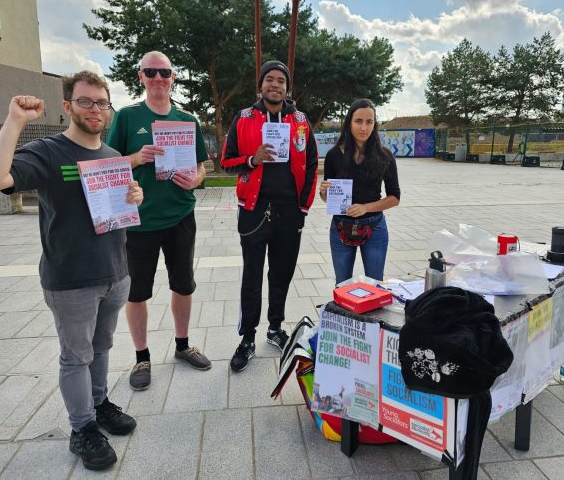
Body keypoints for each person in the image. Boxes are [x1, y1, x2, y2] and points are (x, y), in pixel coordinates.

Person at [0, 71, 142, 471]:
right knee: (75, 357)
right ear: (68, 106)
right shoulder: (49, 152)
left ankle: (99, 404)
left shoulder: (113, 158)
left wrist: (134, 195)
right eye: (85, 101)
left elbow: (118, 211)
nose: (95, 109)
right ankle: (82, 428)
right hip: (71, 280)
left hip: (115, 272)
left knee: (101, 348)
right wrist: (15, 121)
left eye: (102, 102)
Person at [108, 51, 211, 391]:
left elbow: (200, 166)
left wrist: (196, 179)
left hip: (180, 214)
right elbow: (106, 166)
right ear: (140, 76)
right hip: (139, 222)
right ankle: (142, 356)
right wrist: (137, 158)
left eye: (163, 72)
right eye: (150, 72)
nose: (157, 78)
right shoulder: (126, 117)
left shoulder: (187, 120)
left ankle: (182, 346)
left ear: (172, 77)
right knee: (136, 292)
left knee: (184, 284)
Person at [221, 60, 318, 372]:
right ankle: (247, 337)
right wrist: (252, 159)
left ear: (287, 88)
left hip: (290, 211)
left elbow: (314, 164)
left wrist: (304, 206)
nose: (274, 85)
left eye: (280, 81)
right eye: (269, 80)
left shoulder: (300, 120)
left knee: (281, 274)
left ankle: (275, 328)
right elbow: (226, 162)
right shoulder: (244, 118)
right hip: (253, 210)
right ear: (260, 86)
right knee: (252, 277)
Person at [319, 99, 400, 285]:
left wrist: (365, 208)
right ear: (349, 122)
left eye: (369, 122)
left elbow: (395, 197)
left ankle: (372, 316)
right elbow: (329, 198)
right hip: (341, 227)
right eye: (358, 121)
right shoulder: (333, 155)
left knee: (375, 285)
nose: (363, 127)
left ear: (374, 124)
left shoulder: (384, 155)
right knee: (342, 284)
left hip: (375, 227)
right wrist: (324, 192)